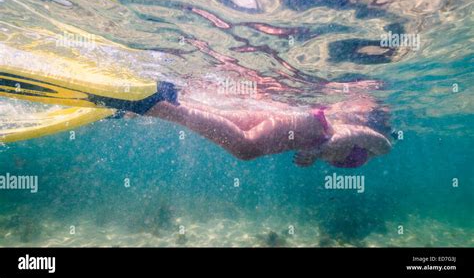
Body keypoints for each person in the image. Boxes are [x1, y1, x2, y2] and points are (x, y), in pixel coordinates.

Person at [143, 81, 392, 168]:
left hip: (310, 125)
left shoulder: (369, 150)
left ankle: (164, 99)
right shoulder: (383, 147)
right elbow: (349, 135)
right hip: (316, 126)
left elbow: (344, 139)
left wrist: (316, 155)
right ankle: (153, 105)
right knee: (246, 148)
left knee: (227, 118)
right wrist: (317, 152)